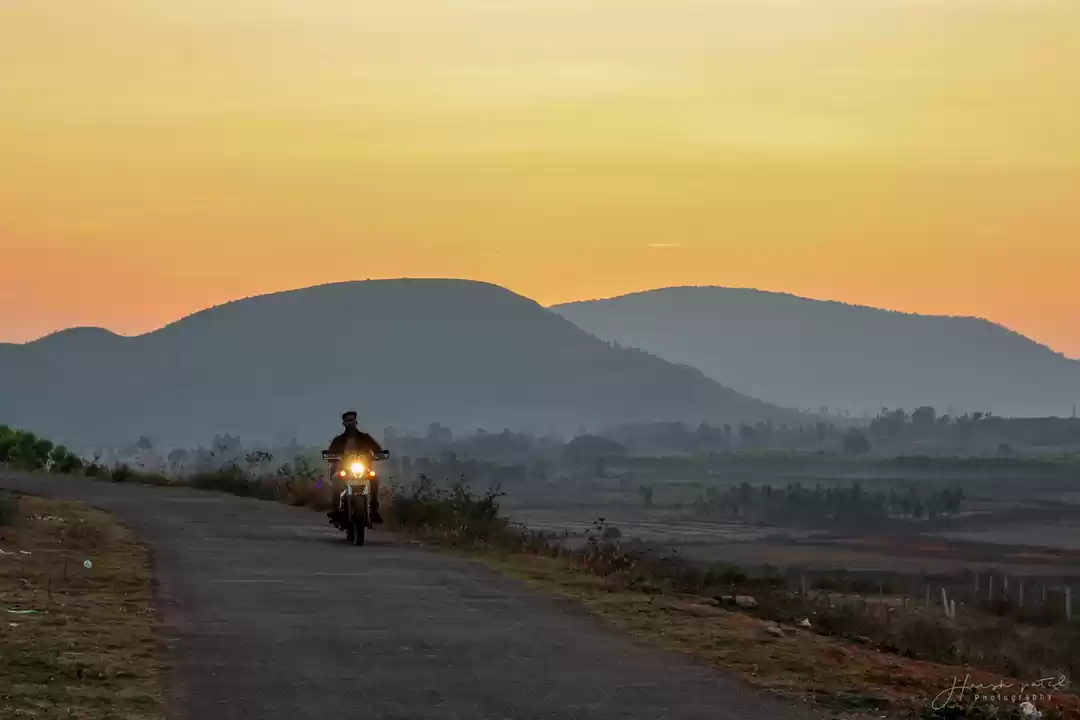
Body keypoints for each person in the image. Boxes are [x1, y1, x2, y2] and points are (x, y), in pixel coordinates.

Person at [326, 410, 385, 524]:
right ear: (344, 423)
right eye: (347, 421)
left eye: (352, 420)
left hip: (364, 469)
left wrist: (379, 454)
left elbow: (377, 449)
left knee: (375, 479)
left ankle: (374, 510)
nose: (350, 423)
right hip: (344, 470)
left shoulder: (365, 437)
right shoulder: (338, 440)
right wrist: (331, 457)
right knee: (335, 479)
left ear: (356, 422)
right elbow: (330, 453)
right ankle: (335, 510)